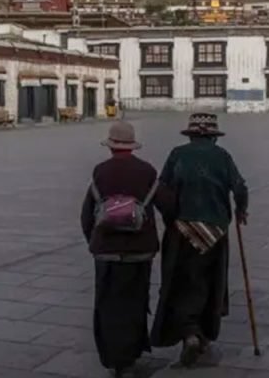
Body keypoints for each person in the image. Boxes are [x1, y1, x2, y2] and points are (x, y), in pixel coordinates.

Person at [151, 113, 249, 367]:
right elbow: (240, 187)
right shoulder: (222, 156)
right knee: (210, 282)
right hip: (215, 231)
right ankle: (201, 332)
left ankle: (190, 332)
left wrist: (170, 217)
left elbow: (162, 189)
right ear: (214, 137)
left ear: (191, 135)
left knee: (180, 282)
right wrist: (240, 210)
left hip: (182, 230)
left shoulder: (178, 154)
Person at [80, 121, 169, 377]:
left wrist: (94, 242)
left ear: (110, 146)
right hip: (139, 252)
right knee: (134, 302)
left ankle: (113, 359)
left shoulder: (101, 171)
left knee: (107, 303)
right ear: (132, 146)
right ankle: (130, 357)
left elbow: (86, 214)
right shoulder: (146, 171)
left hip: (106, 252)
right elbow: (167, 205)